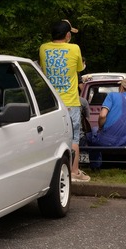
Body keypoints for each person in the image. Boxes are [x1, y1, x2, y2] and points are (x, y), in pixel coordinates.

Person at [39, 19, 90, 182]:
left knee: (52, 138)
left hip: (52, 104)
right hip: (71, 102)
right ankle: (74, 172)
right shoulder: (74, 49)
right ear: (68, 35)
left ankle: (52, 173)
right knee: (73, 137)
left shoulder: (43, 48)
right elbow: (79, 69)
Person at [85, 79, 126, 166]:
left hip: (107, 140)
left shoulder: (112, 96)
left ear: (122, 87)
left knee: (91, 134)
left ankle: (95, 166)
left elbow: (102, 115)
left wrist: (100, 128)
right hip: (124, 141)